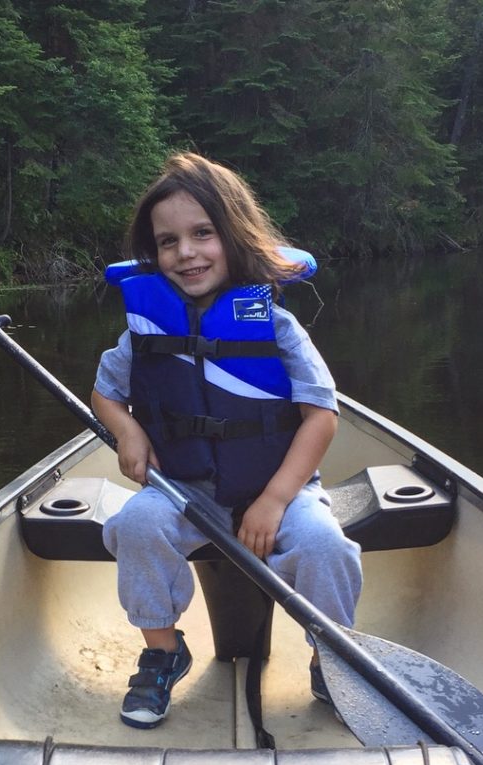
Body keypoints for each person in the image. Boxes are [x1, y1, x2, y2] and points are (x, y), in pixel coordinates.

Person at [92, 151, 362, 729]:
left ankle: (332, 657)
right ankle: (163, 652)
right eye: (168, 242)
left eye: (202, 234)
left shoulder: (276, 325)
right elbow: (106, 395)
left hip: (277, 488)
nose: (185, 253)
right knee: (138, 524)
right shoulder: (144, 330)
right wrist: (128, 430)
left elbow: (322, 414)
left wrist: (274, 499)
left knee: (325, 547)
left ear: (234, 236)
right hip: (184, 488)